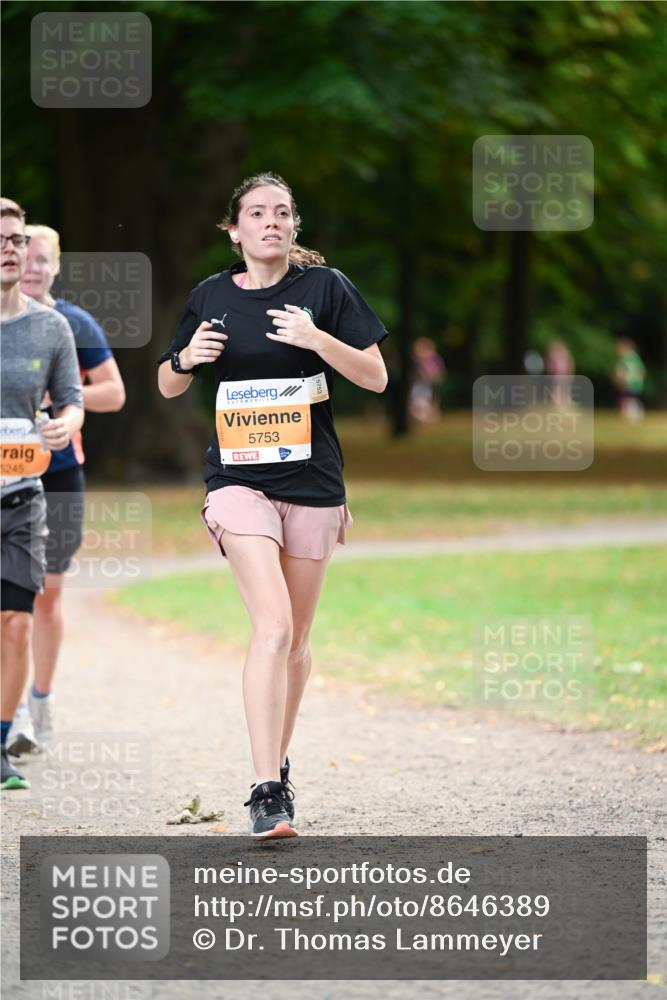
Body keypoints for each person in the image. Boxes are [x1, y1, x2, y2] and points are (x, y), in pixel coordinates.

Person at [157, 172, 388, 839]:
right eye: (256, 213)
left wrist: (318, 340)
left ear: (294, 227)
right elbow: (168, 385)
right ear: (233, 229)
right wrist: (186, 359)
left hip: (313, 483)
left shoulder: (326, 289)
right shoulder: (210, 297)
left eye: (282, 213)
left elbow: (375, 377)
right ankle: (265, 791)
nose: (271, 222)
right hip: (237, 482)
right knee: (274, 626)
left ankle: (278, 764)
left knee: (296, 643)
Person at [6, 225, 126, 755]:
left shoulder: (71, 323)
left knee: (46, 595)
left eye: (42, 260)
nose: (31, 267)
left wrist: (62, 407)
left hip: (55, 476)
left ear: (56, 267)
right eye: (22, 256)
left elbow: (114, 393)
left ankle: (40, 699)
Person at [1, 199, 83, 790]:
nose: (10, 248)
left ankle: (3, 739)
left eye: (15, 238)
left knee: (16, 624)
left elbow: (72, 398)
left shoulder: (52, 326)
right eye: (0, 238)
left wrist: (66, 423)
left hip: (22, 495)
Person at [409, 337, 445, 423]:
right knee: (418, 405)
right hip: (419, 385)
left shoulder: (433, 359)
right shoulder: (415, 360)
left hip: (428, 386)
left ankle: (424, 419)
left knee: (424, 404)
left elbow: (439, 374)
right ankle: (422, 419)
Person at [613, 338, 646, 422]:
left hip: (629, 383)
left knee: (627, 399)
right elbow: (643, 371)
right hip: (636, 383)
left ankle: (632, 416)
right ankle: (634, 415)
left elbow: (621, 371)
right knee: (631, 399)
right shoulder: (635, 357)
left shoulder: (626, 358)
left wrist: (620, 377)